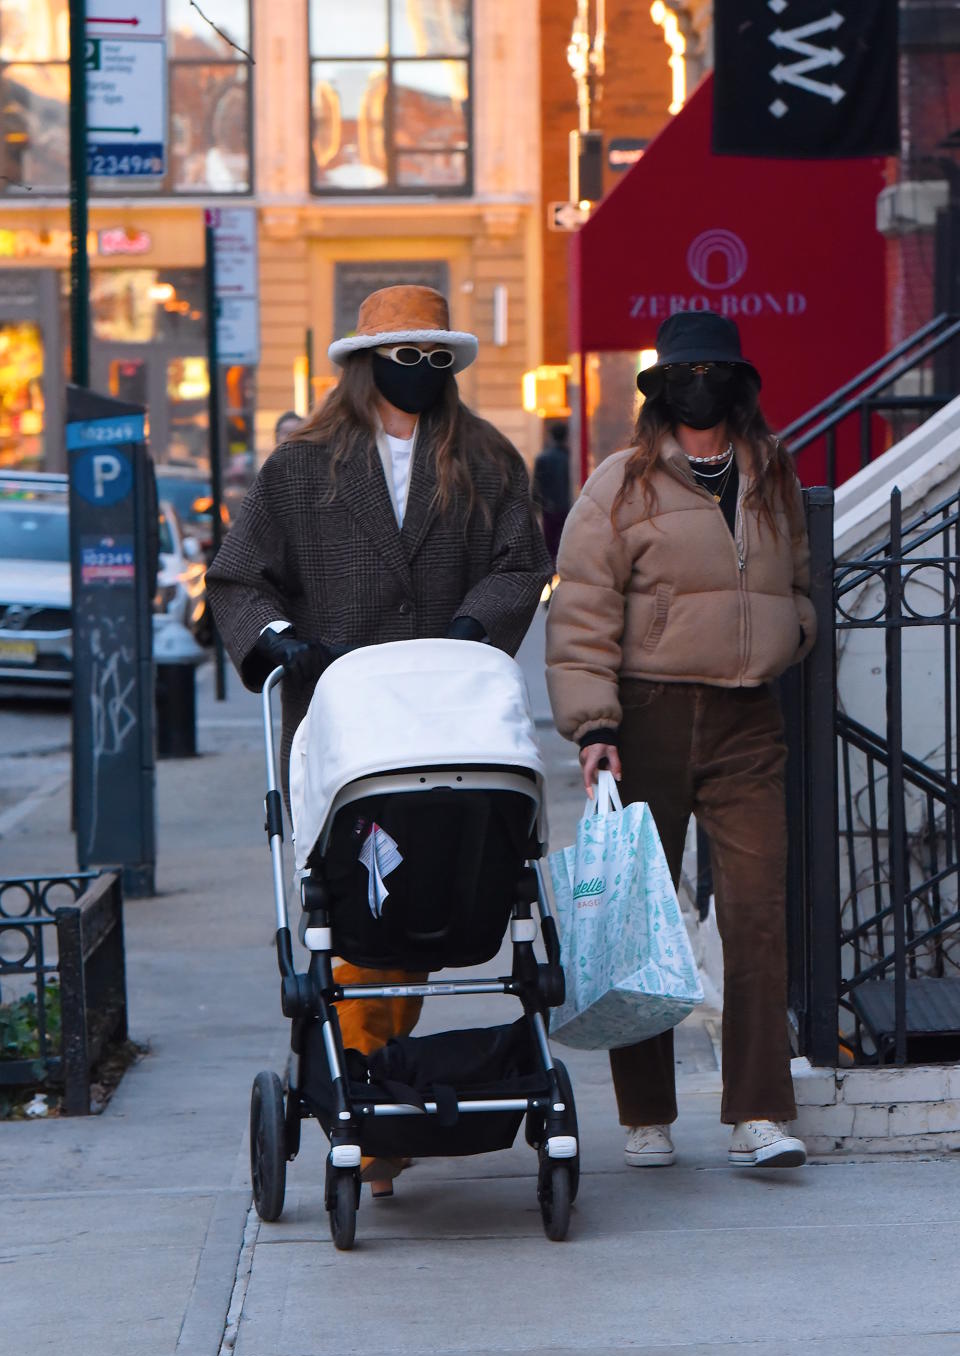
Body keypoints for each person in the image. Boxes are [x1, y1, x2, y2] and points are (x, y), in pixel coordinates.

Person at [206, 284, 552, 1191]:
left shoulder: (484, 459)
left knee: (429, 910)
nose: (422, 373)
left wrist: (476, 630)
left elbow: (523, 564)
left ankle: (382, 1096)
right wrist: (281, 644)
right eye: (407, 356)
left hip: (447, 723)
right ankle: (370, 1100)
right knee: (362, 915)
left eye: (439, 359)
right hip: (345, 726)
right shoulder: (302, 468)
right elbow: (239, 579)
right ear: (366, 363)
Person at [545, 311, 816, 1170]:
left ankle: (759, 1115)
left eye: (717, 370)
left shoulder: (773, 473)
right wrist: (593, 727)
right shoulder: (619, 484)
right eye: (686, 371)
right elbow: (582, 612)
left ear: (740, 383)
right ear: (661, 388)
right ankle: (646, 1115)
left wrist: (792, 635)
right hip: (647, 718)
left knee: (757, 916)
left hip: (748, 719)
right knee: (640, 922)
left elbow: (801, 583)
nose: (702, 384)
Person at [532, 421, 571, 566]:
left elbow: (536, 486)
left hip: (549, 508)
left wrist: (535, 506)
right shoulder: (569, 458)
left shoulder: (542, 458)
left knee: (550, 543)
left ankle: (550, 574)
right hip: (567, 506)